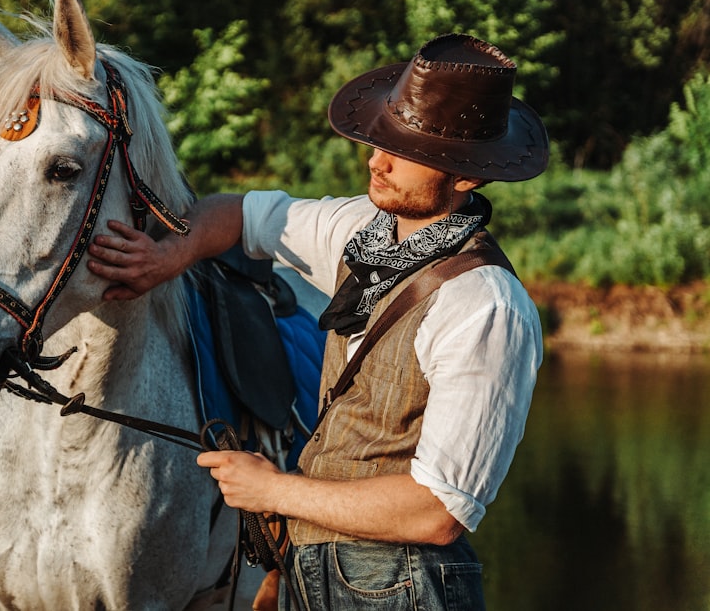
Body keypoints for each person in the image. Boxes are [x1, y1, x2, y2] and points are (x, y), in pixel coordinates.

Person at [87, 33, 547, 610]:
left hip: (406, 589)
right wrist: (167, 256)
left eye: (405, 152)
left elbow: (437, 511)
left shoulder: (485, 306)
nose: (376, 161)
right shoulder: (363, 230)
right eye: (382, 140)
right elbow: (240, 213)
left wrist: (273, 490)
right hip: (313, 578)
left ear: (466, 176)